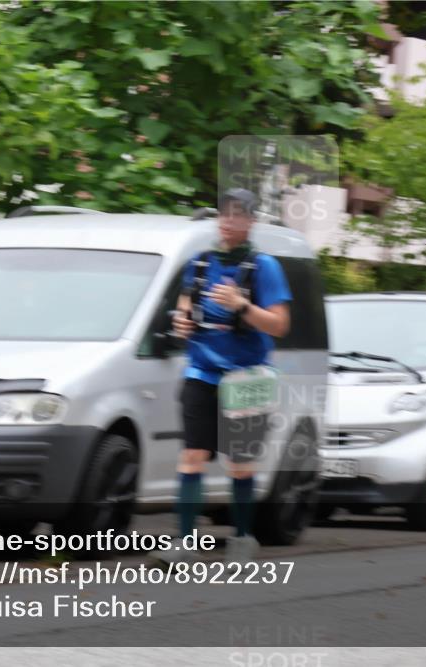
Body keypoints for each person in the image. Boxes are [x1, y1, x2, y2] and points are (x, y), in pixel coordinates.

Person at [157, 188, 291, 564]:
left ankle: (243, 538)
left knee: (239, 463)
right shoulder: (200, 264)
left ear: (251, 221)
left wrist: (241, 304)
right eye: (224, 214)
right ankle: (185, 542)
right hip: (201, 371)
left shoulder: (264, 267)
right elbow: (184, 309)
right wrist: (181, 323)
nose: (229, 221)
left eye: (238, 215)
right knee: (192, 455)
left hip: (247, 378)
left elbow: (280, 325)